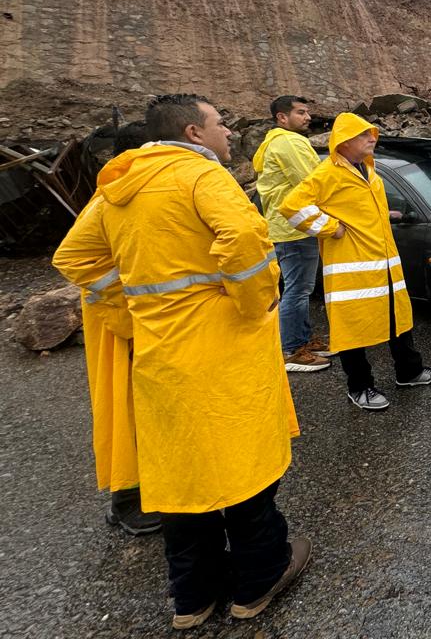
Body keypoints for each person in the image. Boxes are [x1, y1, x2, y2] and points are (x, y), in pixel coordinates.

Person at [53, 95, 307, 630]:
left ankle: (193, 598)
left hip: (159, 355)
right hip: (222, 350)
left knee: (181, 474)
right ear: (194, 132)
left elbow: (74, 256)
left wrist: (129, 311)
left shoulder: (120, 186)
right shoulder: (201, 178)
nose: (229, 133)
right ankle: (258, 580)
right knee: (244, 466)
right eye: (220, 123)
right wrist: (254, 300)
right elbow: (244, 238)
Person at [279, 113, 431, 410]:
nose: (372, 139)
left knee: (398, 320)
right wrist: (331, 227)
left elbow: (361, 210)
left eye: (372, 134)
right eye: (364, 135)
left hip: (384, 265)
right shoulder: (327, 173)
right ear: (343, 142)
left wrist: (387, 216)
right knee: (353, 329)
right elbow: (291, 206)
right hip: (351, 269)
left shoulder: (369, 171)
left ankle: (409, 372)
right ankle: (359, 387)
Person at [51, 121, 160, 536]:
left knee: (142, 407)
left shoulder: (128, 189)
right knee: (125, 407)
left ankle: (144, 492)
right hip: (121, 323)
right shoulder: (115, 195)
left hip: (132, 318)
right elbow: (73, 258)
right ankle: (128, 502)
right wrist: (129, 308)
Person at [253, 95, 330, 373]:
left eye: (308, 111)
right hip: (294, 229)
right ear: (281, 118)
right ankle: (292, 350)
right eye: (300, 112)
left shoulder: (274, 142)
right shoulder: (288, 142)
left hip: (287, 227)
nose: (307, 117)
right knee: (298, 290)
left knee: (299, 288)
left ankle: (303, 340)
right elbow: (314, 181)